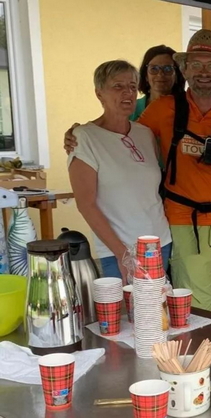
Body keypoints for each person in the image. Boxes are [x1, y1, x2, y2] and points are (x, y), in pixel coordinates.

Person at [65, 30, 211, 316]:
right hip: (179, 223)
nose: (204, 72)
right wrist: (77, 133)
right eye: (196, 64)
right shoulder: (159, 111)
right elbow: (109, 136)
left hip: (202, 226)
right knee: (185, 310)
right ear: (185, 70)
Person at [67, 60, 171, 282]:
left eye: (132, 86)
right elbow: (86, 204)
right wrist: (122, 255)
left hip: (160, 243)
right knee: (130, 315)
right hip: (120, 250)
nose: (128, 92)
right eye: (118, 86)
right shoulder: (85, 137)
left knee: (159, 313)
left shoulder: (145, 134)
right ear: (99, 93)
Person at [131, 45, 186, 121]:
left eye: (168, 69)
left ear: (177, 75)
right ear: (146, 75)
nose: (160, 74)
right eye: (154, 69)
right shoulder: (131, 108)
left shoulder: (188, 107)